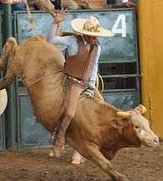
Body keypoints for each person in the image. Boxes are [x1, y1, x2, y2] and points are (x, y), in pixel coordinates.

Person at [47, 14, 113, 158]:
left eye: (95, 35)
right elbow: (51, 39)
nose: (94, 37)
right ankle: (59, 140)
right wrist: (54, 23)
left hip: (87, 82)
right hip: (73, 81)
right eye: (91, 35)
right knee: (70, 113)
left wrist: (91, 84)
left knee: (102, 105)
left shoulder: (97, 47)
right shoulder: (73, 41)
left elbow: (94, 65)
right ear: (84, 33)